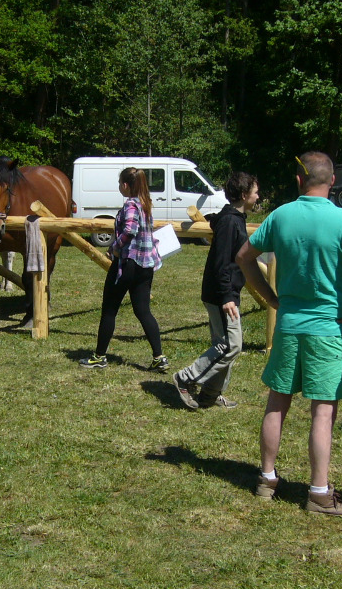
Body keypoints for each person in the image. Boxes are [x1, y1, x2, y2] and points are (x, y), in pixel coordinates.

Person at [236, 151, 342, 514]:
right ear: (333, 181)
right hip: (329, 330)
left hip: (289, 326)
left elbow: (244, 256)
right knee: (323, 412)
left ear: (299, 181)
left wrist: (270, 297)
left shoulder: (280, 215)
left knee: (277, 402)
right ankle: (318, 492)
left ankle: (267, 478)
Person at [172, 171, 258, 410]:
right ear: (243, 195)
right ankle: (185, 378)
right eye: (255, 191)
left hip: (225, 292)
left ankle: (210, 394)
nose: (258, 196)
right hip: (221, 294)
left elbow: (218, 222)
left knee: (225, 345)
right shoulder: (231, 221)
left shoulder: (231, 217)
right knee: (230, 346)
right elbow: (222, 262)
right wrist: (227, 296)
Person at [80, 167, 169, 372]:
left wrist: (114, 247)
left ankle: (99, 356)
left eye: (120, 183)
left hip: (128, 264)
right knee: (143, 311)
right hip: (146, 266)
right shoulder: (146, 204)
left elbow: (130, 229)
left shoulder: (130, 204)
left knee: (109, 310)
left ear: (126, 185)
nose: (119, 187)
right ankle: (159, 357)